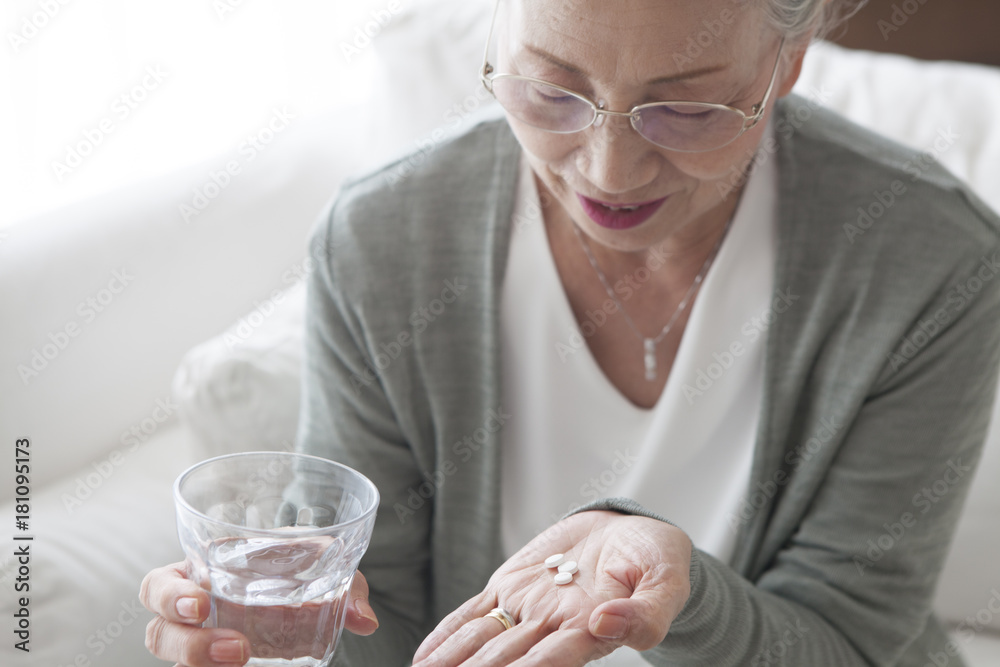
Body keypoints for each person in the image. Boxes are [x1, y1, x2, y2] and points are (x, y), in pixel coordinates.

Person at [141, 0, 1000, 665]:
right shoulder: (383, 245)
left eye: (688, 109)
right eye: (552, 92)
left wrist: (688, 592)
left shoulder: (929, 263)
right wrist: (278, 631)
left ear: (788, 63)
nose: (608, 171)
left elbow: (849, 643)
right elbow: (383, 626)